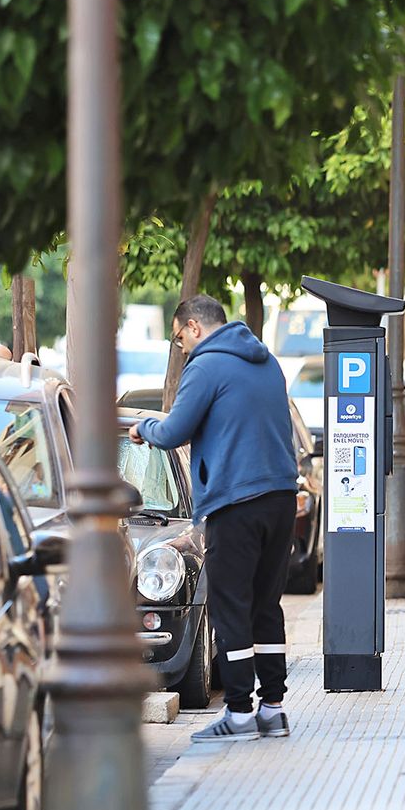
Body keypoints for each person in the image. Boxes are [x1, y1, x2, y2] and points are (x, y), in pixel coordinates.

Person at [129, 295, 299, 742]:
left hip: (234, 502)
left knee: (229, 604)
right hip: (281, 497)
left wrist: (142, 427)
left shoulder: (205, 366)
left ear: (195, 327)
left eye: (179, 336)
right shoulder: (267, 361)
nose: (180, 346)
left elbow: (173, 431)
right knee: (266, 604)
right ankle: (274, 709)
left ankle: (239, 712)